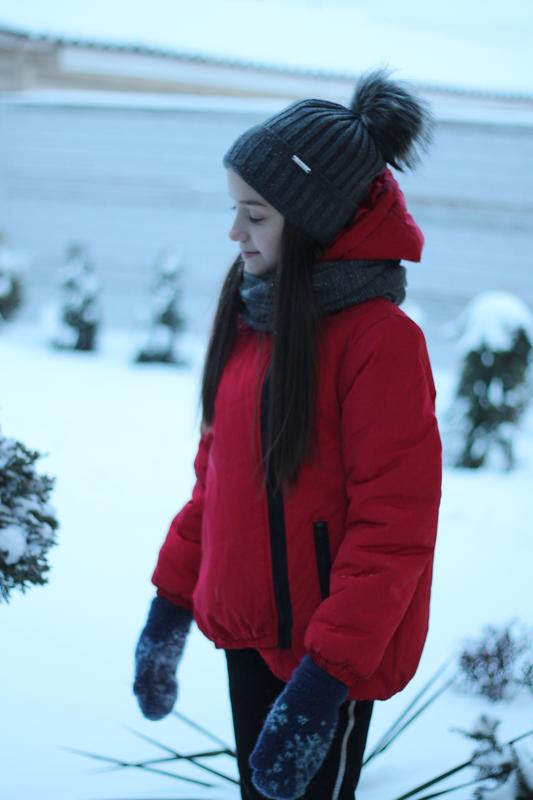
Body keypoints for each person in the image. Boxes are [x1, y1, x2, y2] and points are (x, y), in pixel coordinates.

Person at [133, 69, 443, 800]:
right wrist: (169, 606)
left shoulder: (380, 342)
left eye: (256, 215)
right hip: (246, 635)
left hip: (324, 662)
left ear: (311, 221)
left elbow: (394, 530)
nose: (234, 233)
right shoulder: (253, 319)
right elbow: (214, 486)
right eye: (235, 210)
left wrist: (321, 683)